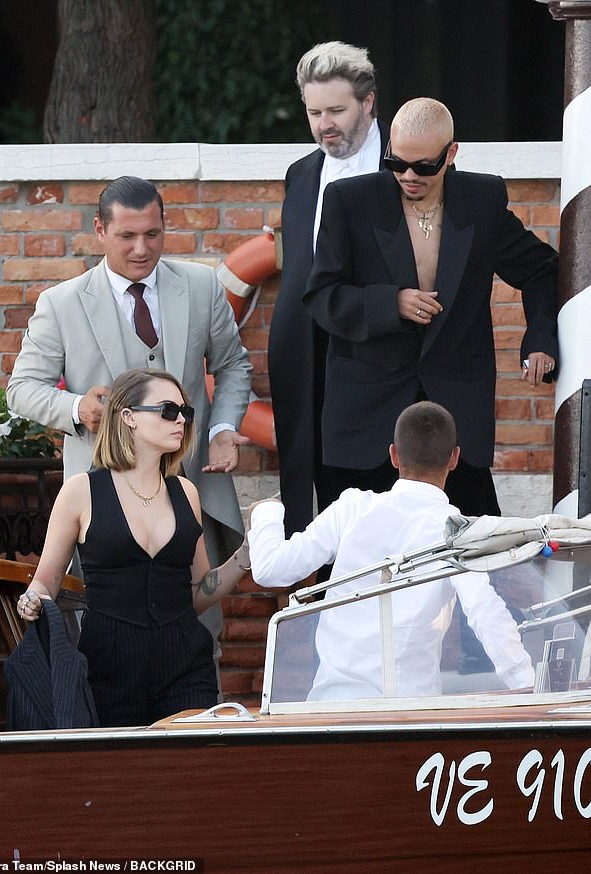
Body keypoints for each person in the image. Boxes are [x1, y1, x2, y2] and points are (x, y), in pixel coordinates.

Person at [7, 175, 252, 686]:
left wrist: (223, 426)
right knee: (106, 632)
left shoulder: (202, 285)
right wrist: (78, 408)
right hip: (102, 496)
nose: (142, 249)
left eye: (153, 234)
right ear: (100, 230)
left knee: (198, 623)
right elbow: (22, 389)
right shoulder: (62, 302)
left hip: (190, 489)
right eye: (127, 237)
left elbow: (233, 364)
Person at [303, 97, 558, 518]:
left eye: (423, 166)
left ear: (451, 153)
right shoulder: (350, 200)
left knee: (471, 553)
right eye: (396, 163)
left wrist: (540, 338)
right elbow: (322, 295)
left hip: (455, 412)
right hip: (368, 413)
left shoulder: (481, 198)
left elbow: (542, 269)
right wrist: (392, 302)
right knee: (357, 558)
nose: (407, 175)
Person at [247, 402, 534, 699]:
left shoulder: (351, 508)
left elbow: (271, 569)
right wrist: (530, 688)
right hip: (408, 716)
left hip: (331, 707)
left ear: (394, 455)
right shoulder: (456, 530)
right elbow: (485, 612)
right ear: (454, 459)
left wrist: (266, 512)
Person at [16, 368, 251, 726]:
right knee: (120, 776)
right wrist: (31, 598)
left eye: (185, 413)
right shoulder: (82, 491)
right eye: (168, 411)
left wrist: (246, 556)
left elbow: (199, 592)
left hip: (185, 664)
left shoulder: (185, 492)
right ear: (128, 417)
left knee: (187, 771)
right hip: (108, 665)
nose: (181, 421)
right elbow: (47, 580)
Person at [268, 42, 390, 536]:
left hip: (376, 355)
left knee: (375, 501)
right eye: (314, 113)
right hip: (303, 357)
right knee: (313, 500)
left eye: (336, 110)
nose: (325, 124)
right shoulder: (300, 174)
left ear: (369, 103)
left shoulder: (401, 166)